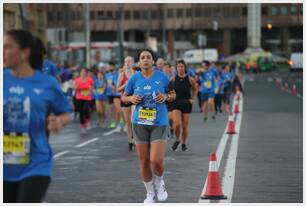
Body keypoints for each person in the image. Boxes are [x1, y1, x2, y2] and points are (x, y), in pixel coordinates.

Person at [3, 29, 71, 203]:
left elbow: (65, 112)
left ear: (24, 52)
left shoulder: (47, 83)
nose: (3, 52)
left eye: (7, 47)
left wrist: (58, 122)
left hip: (36, 162)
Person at [121, 49, 175, 203]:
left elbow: (173, 94)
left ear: (153, 61)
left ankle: (160, 183)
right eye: (142, 57)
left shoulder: (162, 76)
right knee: (143, 160)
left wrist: (165, 96)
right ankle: (150, 193)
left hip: (159, 122)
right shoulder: (134, 78)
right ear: (139, 62)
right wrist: (131, 98)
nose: (145, 59)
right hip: (140, 123)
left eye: (148, 57)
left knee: (156, 160)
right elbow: (123, 97)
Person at [170, 59, 198, 152]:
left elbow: (195, 89)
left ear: (185, 68)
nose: (180, 68)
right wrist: (169, 96)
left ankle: (184, 143)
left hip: (186, 103)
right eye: (178, 66)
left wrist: (193, 98)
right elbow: (167, 88)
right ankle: (177, 139)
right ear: (176, 68)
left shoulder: (190, 79)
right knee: (177, 124)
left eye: (182, 66)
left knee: (185, 126)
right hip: (176, 103)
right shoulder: (173, 79)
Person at [117, 56, 135, 151]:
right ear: (124, 64)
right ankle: (130, 141)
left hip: (134, 99)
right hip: (125, 100)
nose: (127, 63)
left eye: (129, 61)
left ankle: (136, 138)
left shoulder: (136, 74)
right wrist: (126, 84)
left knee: (133, 120)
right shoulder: (121, 75)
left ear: (132, 63)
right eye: (126, 62)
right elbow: (117, 89)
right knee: (128, 122)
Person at [73, 68, 94, 134]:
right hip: (79, 98)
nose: (83, 73)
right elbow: (75, 89)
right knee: (81, 114)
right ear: (80, 73)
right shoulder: (77, 80)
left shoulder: (90, 80)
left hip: (87, 98)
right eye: (82, 72)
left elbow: (92, 89)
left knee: (86, 111)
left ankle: (87, 121)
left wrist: (90, 89)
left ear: (86, 73)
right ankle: (83, 127)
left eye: (84, 72)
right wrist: (78, 86)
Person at [162, 62, 175, 139]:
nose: (166, 69)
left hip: (170, 98)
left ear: (170, 69)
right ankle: (166, 132)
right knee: (164, 117)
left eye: (167, 67)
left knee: (170, 118)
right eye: (164, 67)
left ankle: (172, 129)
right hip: (162, 99)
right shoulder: (160, 77)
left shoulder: (173, 77)